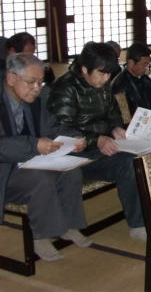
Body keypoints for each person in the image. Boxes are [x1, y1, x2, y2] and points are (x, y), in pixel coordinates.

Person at [47, 42, 151, 241]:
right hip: (76, 154)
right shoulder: (65, 89)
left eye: (109, 74)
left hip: (100, 146)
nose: (106, 79)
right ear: (84, 69)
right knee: (129, 164)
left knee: (142, 158)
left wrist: (116, 127)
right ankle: (139, 224)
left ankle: (150, 218)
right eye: (102, 74)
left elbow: (113, 111)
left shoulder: (102, 82)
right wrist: (96, 140)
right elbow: (62, 131)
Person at [0, 54, 90, 261]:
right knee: (41, 178)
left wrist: (71, 137)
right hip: (5, 169)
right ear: (11, 78)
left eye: (41, 82)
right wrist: (34, 145)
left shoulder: (39, 97)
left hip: (31, 160)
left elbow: (52, 128)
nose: (37, 88)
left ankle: (68, 226)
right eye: (31, 82)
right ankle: (42, 235)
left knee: (71, 171)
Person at [111, 42, 151, 115]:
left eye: (148, 64)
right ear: (131, 63)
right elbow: (125, 117)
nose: (147, 68)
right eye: (144, 64)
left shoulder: (146, 80)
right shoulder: (119, 85)